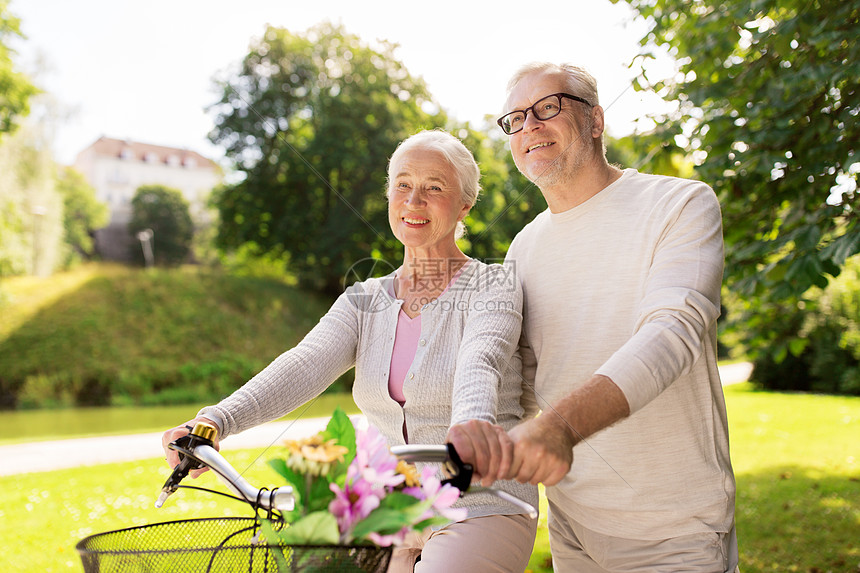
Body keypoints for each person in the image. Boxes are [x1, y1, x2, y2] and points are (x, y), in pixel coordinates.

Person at [162, 129, 538, 572]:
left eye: (434, 188)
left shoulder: (493, 286)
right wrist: (215, 420)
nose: (413, 200)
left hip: (481, 502)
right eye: (402, 184)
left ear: (464, 205)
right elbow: (304, 363)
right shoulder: (365, 298)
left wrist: (468, 430)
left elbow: (482, 362)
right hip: (389, 510)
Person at [446, 62, 739, 572]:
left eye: (547, 108)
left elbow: (673, 332)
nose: (529, 127)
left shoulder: (679, 203)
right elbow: (527, 378)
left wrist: (559, 427)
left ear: (596, 120)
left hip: (671, 527)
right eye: (514, 119)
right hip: (572, 522)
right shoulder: (525, 246)